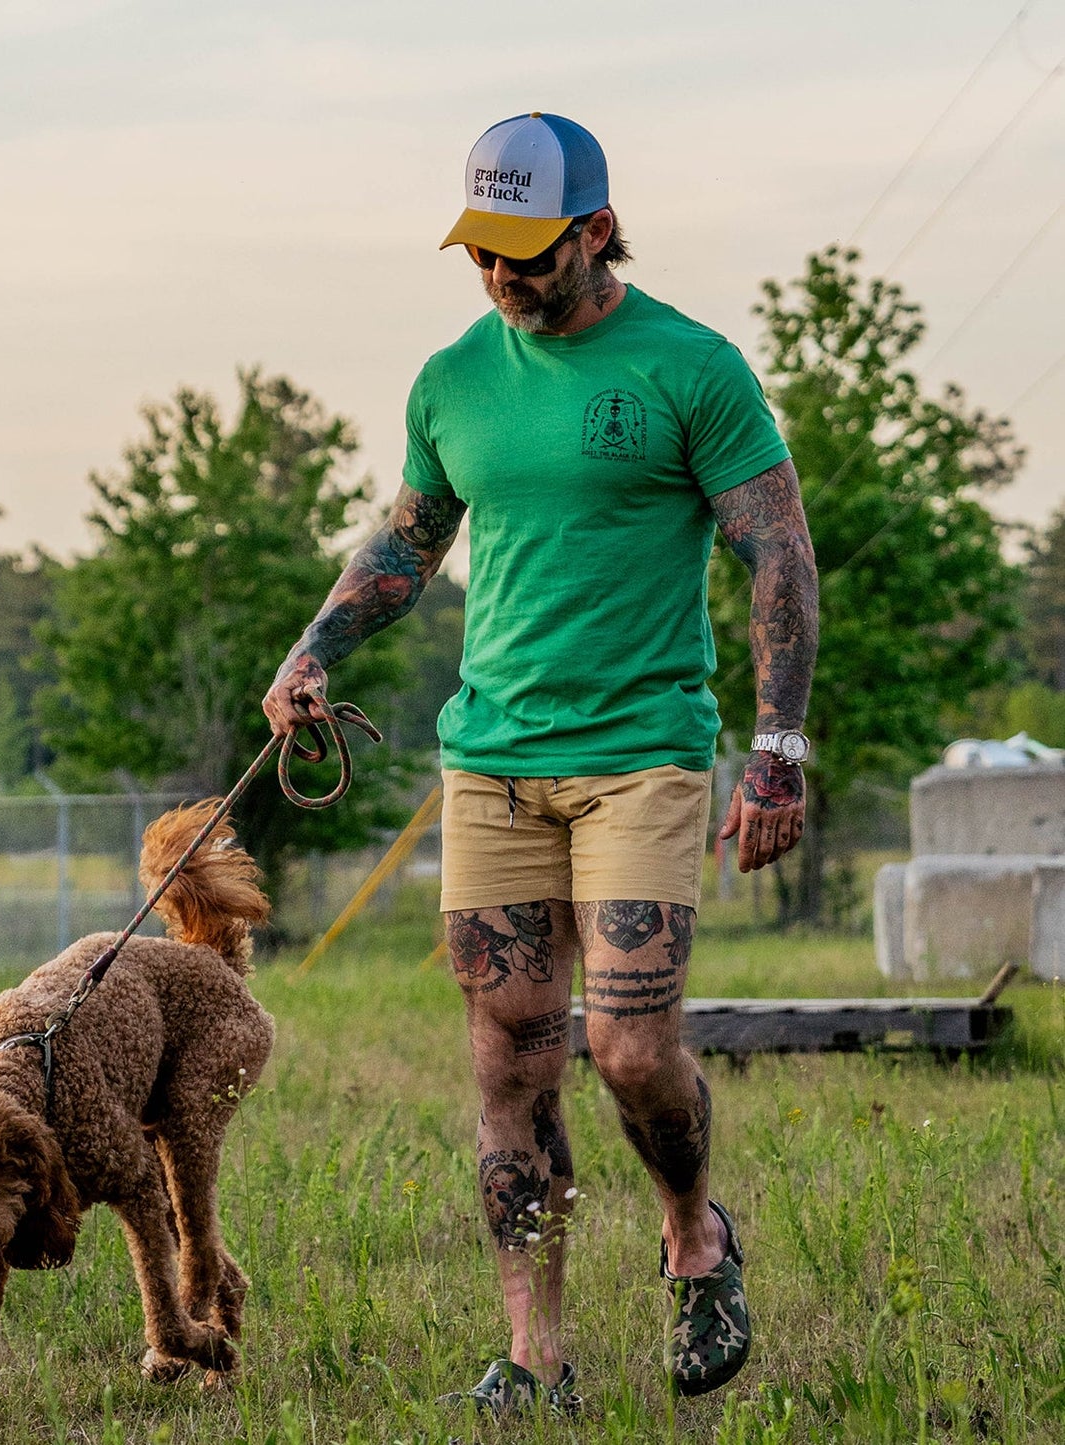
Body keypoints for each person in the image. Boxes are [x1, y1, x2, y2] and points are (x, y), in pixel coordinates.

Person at [262, 111, 818, 1415]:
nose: (503, 276)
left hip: (641, 755)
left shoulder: (691, 366)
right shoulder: (452, 379)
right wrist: (312, 651)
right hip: (494, 761)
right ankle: (535, 1354)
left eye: (527, 250)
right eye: (483, 252)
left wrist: (778, 750)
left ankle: (693, 1232)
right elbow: (404, 544)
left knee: (627, 1050)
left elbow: (776, 552)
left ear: (596, 228)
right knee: (508, 1062)